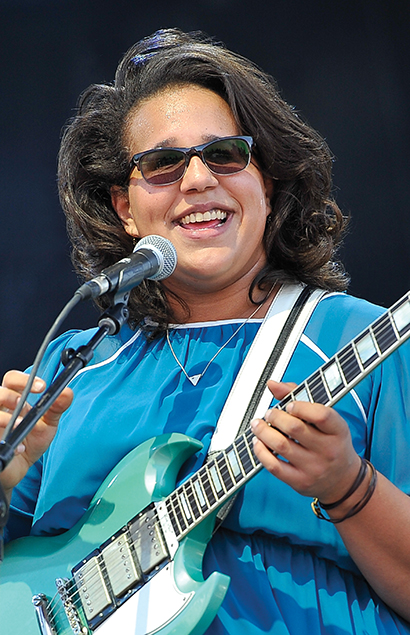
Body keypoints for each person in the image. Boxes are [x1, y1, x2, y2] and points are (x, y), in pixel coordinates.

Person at [1, 27, 410, 634]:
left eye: (225, 154)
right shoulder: (71, 366)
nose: (197, 179)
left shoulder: (360, 338)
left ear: (266, 184)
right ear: (125, 208)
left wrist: (347, 486)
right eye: (162, 164)